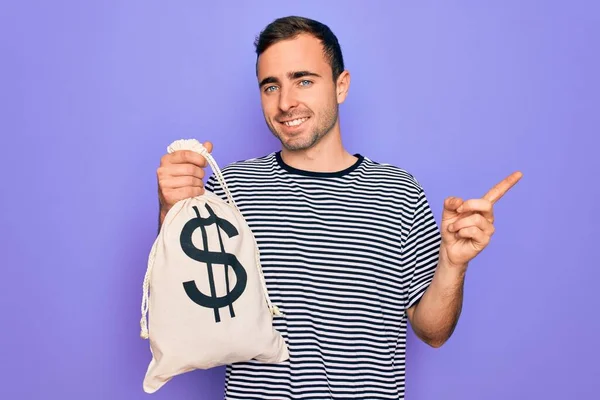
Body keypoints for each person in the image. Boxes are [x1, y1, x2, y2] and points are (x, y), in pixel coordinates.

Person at [155, 16, 522, 400]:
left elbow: (433, 332)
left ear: (341, 85)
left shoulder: (399, 192)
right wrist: (170, 210)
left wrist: (453, 262)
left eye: (304, 80)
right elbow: (185, 299)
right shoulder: (234, 189)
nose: (285, 102)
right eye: (270, 86)